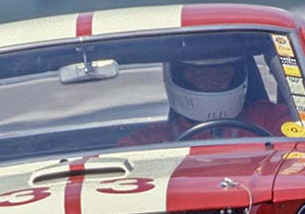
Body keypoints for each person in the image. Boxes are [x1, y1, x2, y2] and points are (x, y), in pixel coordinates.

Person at [119, 56, 292, 146]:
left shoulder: (272, 119)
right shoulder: (145, 142)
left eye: (224, 72)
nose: (213, 81)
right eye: (201, 74)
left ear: (238, 75)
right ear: (177, 77)